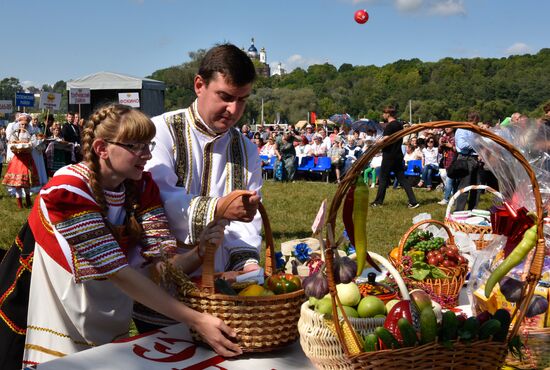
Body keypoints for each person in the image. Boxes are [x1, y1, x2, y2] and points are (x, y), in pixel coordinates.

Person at [0, 104, 242, 369]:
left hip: (110, 309)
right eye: (136, 146)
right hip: (62, 309)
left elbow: (160, 268)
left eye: (148, 145)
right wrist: (196, 320)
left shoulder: (142, 186)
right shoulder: (67, 190)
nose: (147, 154)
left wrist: (199, 251)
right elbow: (120, 273)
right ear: (102, 148)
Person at [144, 44, 262, 290]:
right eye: (226, 97)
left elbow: (249, 218)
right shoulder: (161, 131)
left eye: (242, 100)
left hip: (220, 283)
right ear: (199, 85)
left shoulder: (247, 149)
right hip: (162, 278)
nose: (234, 109)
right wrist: (220, 207)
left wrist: (248, 263)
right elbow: (157, 199)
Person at [371, 106, 419, 208]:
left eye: (384, 113)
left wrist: (377, 142)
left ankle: (378, 201)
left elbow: (386, 139)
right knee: (402, 179)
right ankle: (413, 201)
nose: (383, 115)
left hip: (389, 155)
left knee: (383, 178)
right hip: (398, 155)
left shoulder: (390, 126)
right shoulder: (399, 124)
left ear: (388, 114)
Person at [2, 114, 38, 208]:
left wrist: (27, 144)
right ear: (19, 124)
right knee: (17, 183)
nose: (23, 126)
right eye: (21, 124)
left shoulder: (30, 133)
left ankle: (28, 200)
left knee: (26, 182)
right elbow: (11, 143)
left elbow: (33, 144)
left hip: (27, 159)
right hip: (18, 160)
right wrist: (16, 144)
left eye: (25, 124)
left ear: (27, 125)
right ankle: (19, 204)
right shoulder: (16, 133)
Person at [454, 112, 482, 211]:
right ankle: (458, 212)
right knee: (464, 187)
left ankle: (473, 211)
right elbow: (462, 145)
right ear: (472, 120)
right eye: (476, 122)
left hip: (474, 159)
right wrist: (477, 143)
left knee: (476, 187)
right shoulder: (462, 130)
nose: (477, 124)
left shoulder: (473, 130)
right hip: (464, 159)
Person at [437, 127, 458, 205]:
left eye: (448, 127)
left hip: (454, 162)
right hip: (446, 162)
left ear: (453, 128)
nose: (446, 128)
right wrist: (440, 144)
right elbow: (440, 151)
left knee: (449, 181)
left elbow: (459, 150)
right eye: (445, 127)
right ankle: (456, 200)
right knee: (454, 183)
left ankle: (446, 199)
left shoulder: (456, 138)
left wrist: (451, 146)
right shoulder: (444, 138)